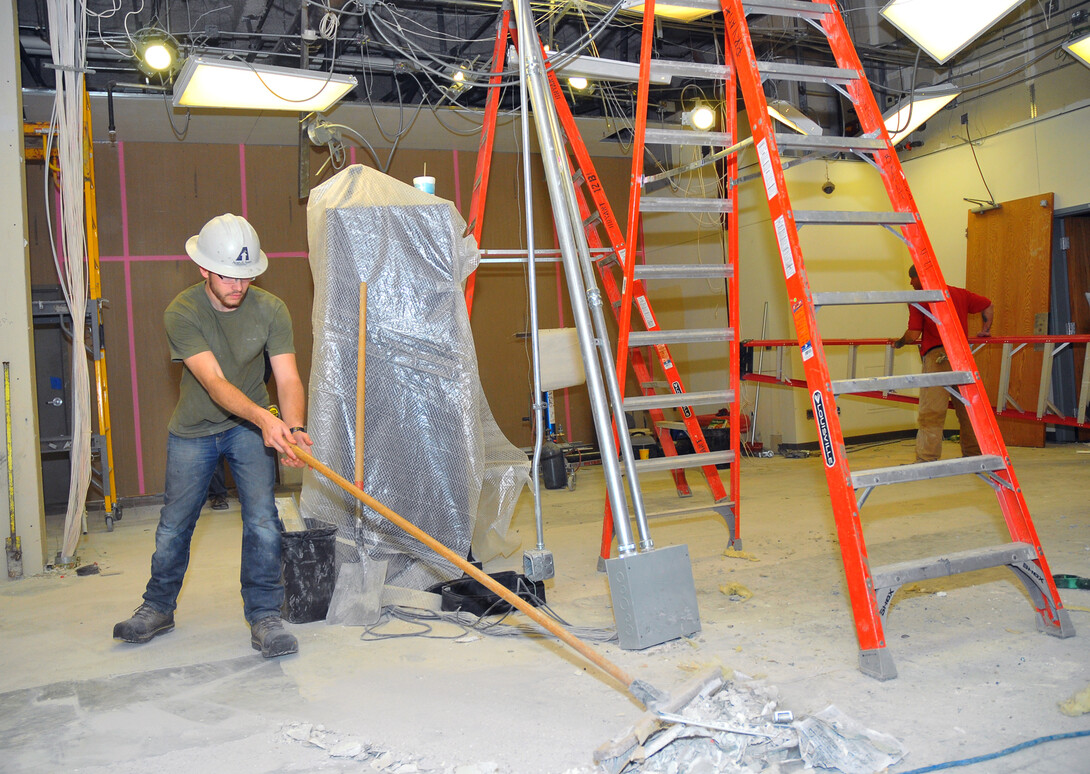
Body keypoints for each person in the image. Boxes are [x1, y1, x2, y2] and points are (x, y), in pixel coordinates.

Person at [113, 213, 313, 658]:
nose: (238, 286)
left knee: (262, 521)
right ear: (203, 268)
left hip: (249, 430)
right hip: (194, 431)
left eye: (246, 275)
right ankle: (157, 607)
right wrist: (266, 420)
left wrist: (294, 427)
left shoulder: (271, 309)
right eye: (227, 275)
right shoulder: (182, 312)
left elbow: (288, 377)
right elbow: (216, 383)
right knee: (174, 525)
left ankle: (264, 616)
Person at [893, 265, 993, 463]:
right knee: (967, 410)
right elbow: (988, 304)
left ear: (921, 277)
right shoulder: (958, 293)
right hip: (962, 356)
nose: (910, 282)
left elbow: (913, 334)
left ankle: (926, 459)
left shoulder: (920, 298)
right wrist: (985, 330)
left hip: (938, 356)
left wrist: (899, 342)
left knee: (931, 411)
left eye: (912, 278)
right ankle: (973, 455)